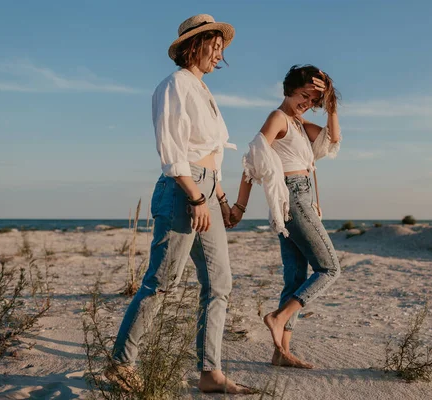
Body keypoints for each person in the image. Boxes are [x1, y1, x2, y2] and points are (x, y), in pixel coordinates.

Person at [106, 14, 252, 394]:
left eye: (222, 48)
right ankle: (121, 364)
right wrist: (196, 196)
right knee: (161, 282)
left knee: (219, 283)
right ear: (193, 45)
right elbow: (172, 152)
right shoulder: (173, 86)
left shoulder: (203, 90)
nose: (219, 54)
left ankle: (210, 372)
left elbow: (210, 155)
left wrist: (221, 200)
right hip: (182, 191)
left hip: (205, 190)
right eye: (213, 46)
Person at [231, 65, 342, 369]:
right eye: (304, 95)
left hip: (297, 199)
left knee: (295, 278)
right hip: (292, 199)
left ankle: (281, 352)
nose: (307, 103)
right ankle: (278, 318)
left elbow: (333, 139)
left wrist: (330, 104)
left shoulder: (298, 123)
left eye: (313, 100)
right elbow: (253, 159)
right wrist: (240, 206)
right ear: (289, 89)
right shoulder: (278, 118)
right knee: (330, 269)